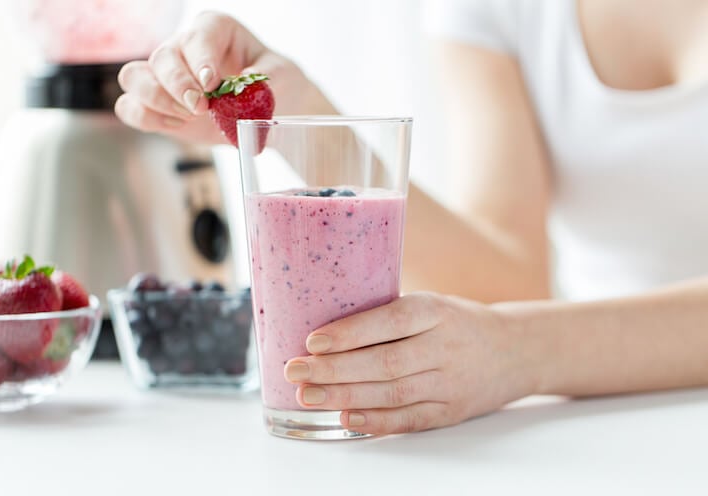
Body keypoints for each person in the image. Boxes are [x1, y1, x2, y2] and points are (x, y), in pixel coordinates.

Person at [115, 0, 708, 435]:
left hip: (583, 385)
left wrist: (520, 351)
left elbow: (515, 326)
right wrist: (295, 116)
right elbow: (507, 283)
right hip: (604, 414)